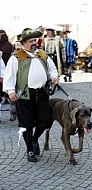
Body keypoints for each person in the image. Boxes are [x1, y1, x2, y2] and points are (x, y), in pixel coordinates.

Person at [3, 27, 58, 162]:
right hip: (25, 95)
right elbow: (9, 76)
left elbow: (52, 69)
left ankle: (34, 140)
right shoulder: (17, 57)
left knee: (44, 120)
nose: (34, 43)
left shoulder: (42, 55)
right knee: (26, 123)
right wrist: (10, 91)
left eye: (35, 40)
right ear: (23, 43)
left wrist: (54, 77)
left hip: (42, 93)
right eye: (31, 41)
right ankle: (30, 150)